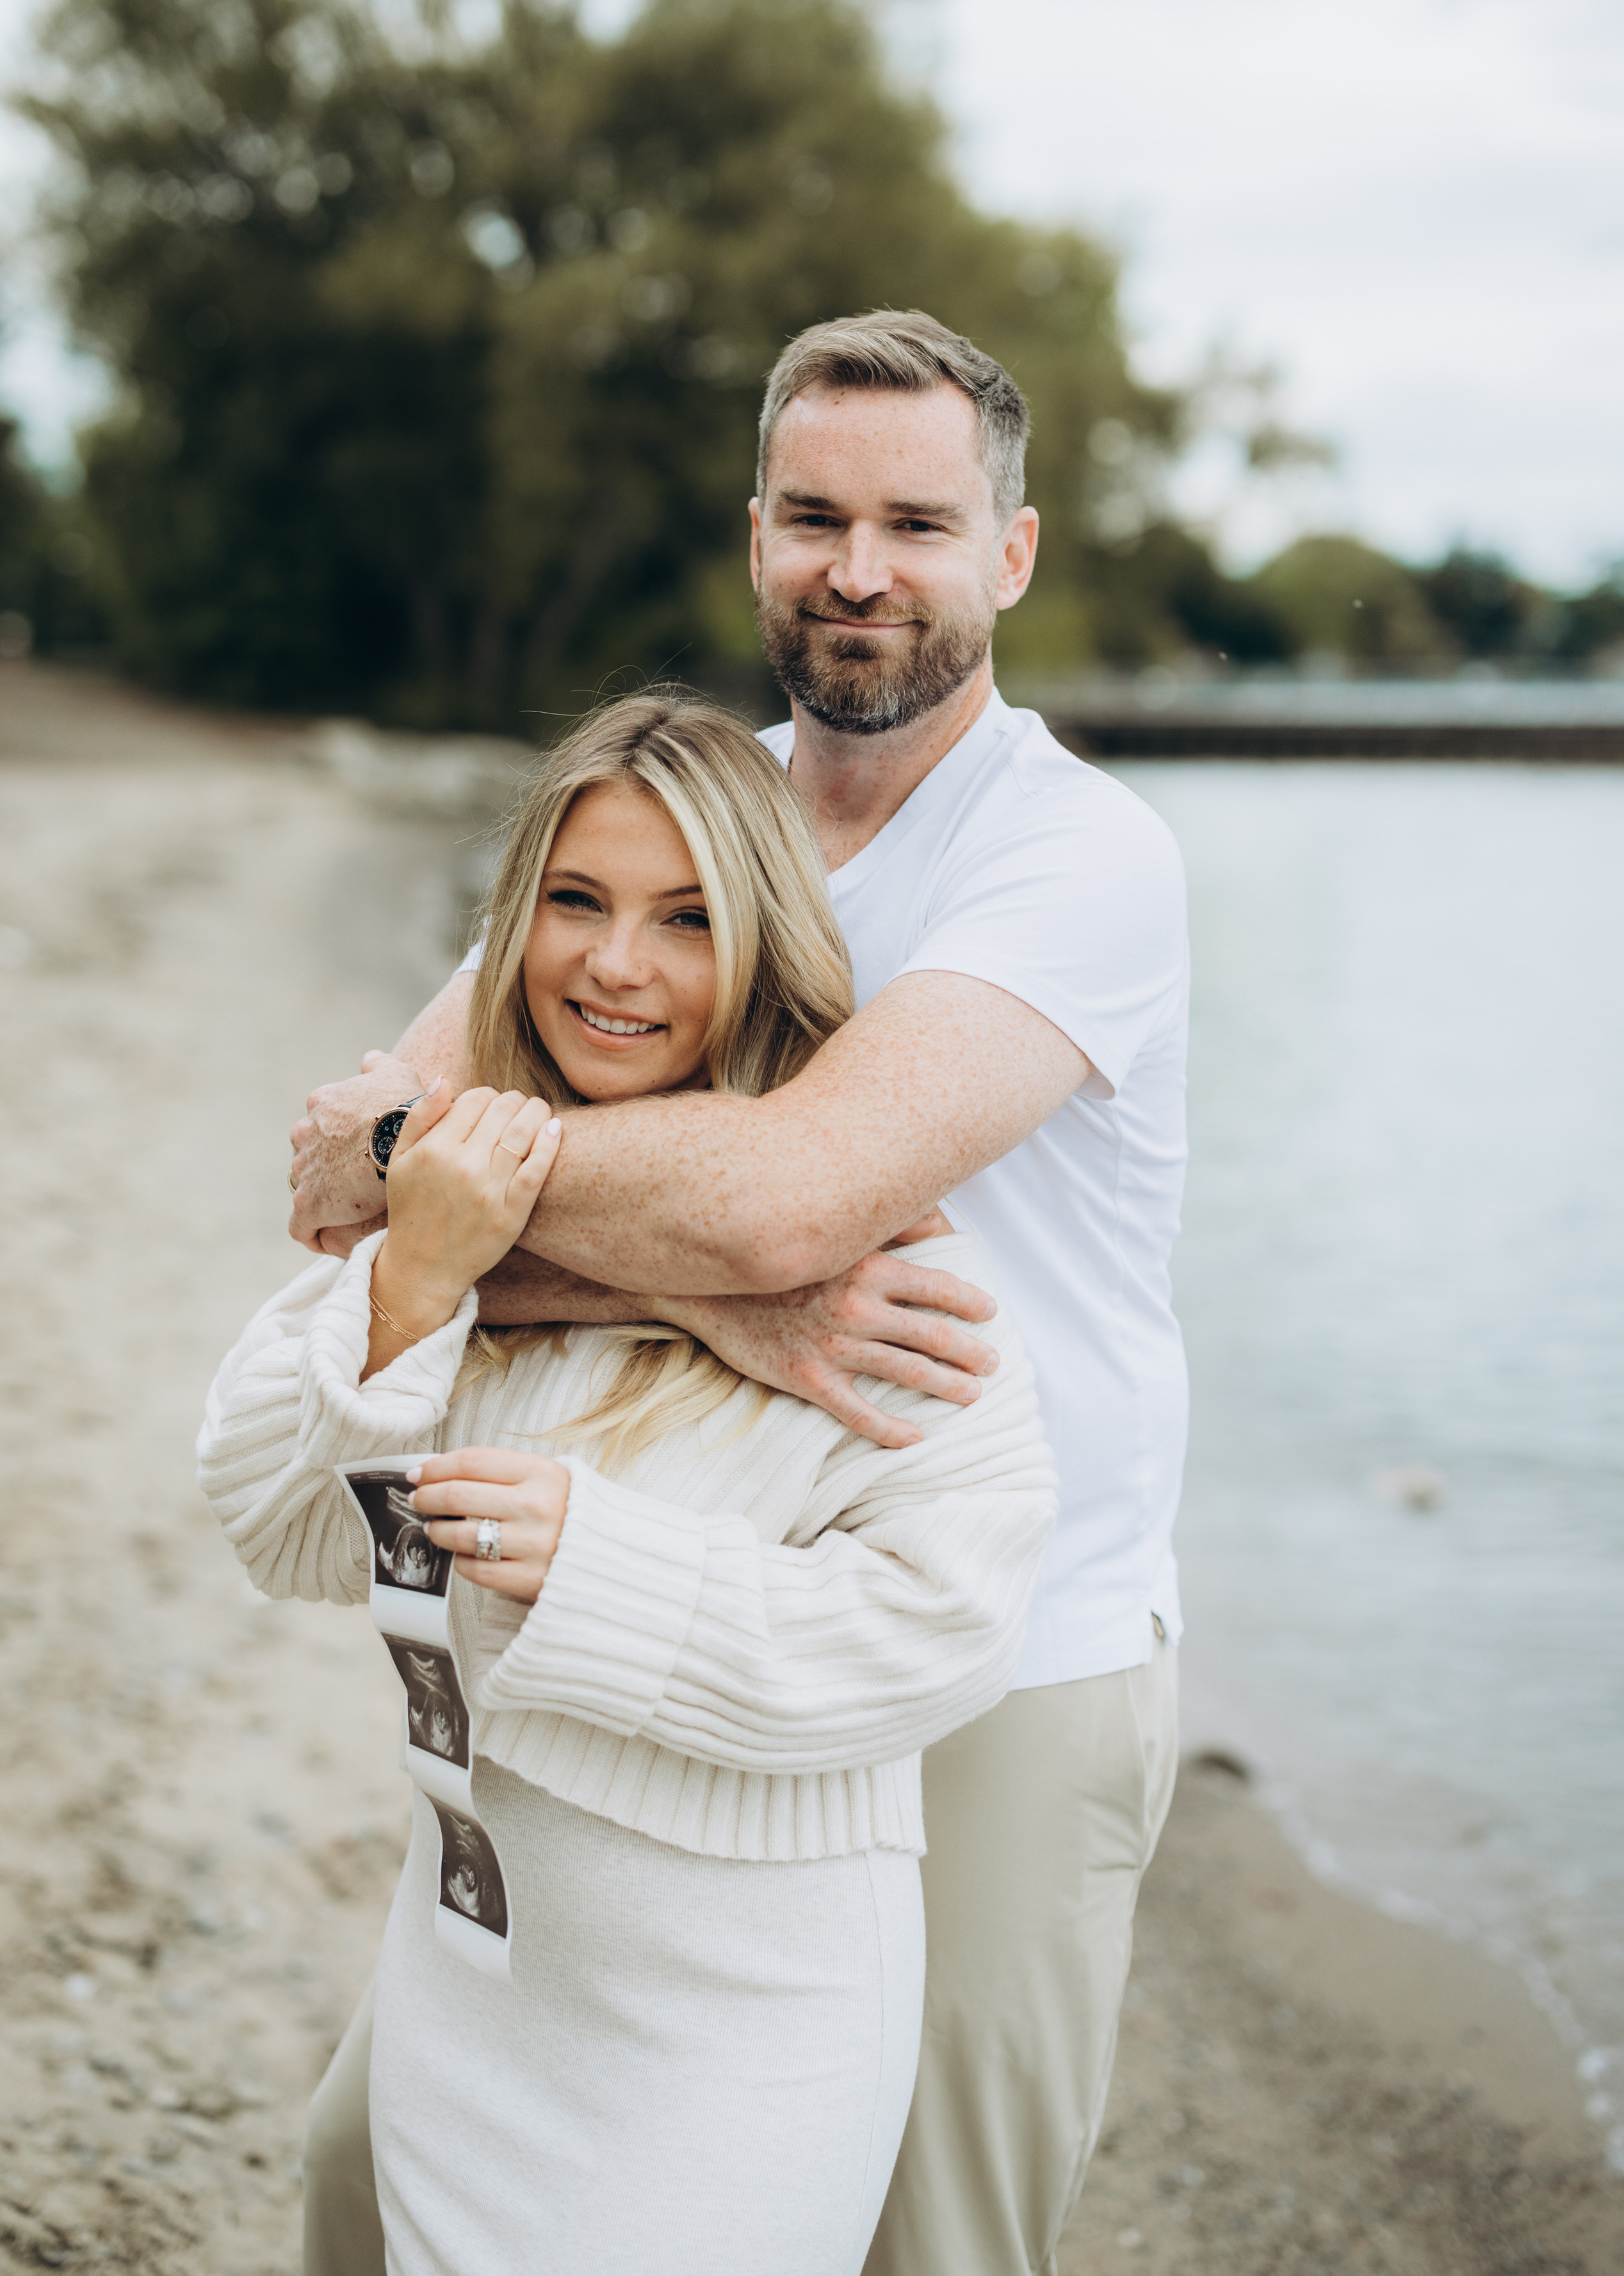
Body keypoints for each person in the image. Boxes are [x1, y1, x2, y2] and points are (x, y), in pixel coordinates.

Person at [290, 309, 1189, 2276]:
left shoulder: (1078, 853)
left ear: (1009, 556)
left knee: (923, 2243)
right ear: (755, 536)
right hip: (641, 1610)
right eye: (812, 516)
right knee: (372, 2176)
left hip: (992, 1647)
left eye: (916, 523)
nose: (857, 568)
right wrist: (705, 1301)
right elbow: (342, 1176)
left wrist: (468, 1191)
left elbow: (782, 1199)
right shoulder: (685, 823)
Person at [202, 693, 1057, 2276]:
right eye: (576, 904)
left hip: (741, 2032)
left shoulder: (865, 1277)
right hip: (471, 1979)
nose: (615, 965)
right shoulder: (462, 1226)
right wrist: (414, 1290)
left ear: (763, 946)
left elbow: (943, 1628)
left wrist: (601, 1564)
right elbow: (272, 1522)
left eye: (684, 920)